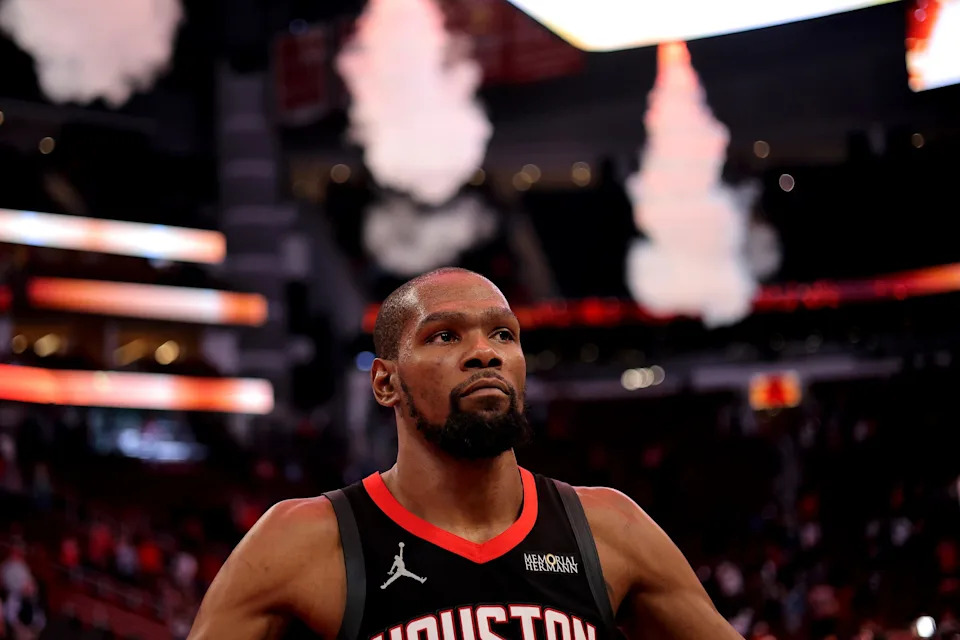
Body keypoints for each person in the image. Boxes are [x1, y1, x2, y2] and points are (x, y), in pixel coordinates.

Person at [189, 268, 743, 640]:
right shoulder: (299, 541)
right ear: (385, 383)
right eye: (445, 337)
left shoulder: (609, 528)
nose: (485, 354)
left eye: (503, 334)